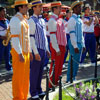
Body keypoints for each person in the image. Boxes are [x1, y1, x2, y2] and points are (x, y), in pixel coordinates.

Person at [10, 0, 33, 100]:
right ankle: (18, 98)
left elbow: (27, 37)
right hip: (19, 52)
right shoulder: (15, 20)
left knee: (25, 78)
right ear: (20, 7)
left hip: (25, 52)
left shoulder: (23, 19)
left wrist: (30, 51)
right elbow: (14, 38)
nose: (27, 8)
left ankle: (23, 97)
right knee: (18, 78)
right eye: (26, 6)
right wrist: (19, 53)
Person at [28, 0, 50, 100]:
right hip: (36, 50)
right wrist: (35, 52)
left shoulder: (41, 20)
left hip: (43, 49)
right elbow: (31, 37)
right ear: (34, 8)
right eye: (39, 6)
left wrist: (47, 49)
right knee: (34, 72)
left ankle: (39, 89)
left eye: (41, 6)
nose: (41, 8)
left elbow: (44, 36)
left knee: (40, 72)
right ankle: (33, 92)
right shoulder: (31, 20)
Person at [48, 1, 67, 88]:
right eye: (59, 8)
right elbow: (52, 36)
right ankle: (51, 84)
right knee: (55, 66)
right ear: (54, 9)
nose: (61, 9)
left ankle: (56, 83)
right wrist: (57, 49)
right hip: (57, 46)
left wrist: (64, 45)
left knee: (59, 66)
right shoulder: (52, 20)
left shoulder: (59, 19)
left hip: (61, 46)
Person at [66, 1, 85, 83]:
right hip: (74, 43)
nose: (80, 9)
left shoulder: (79, 19)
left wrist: (83, 44)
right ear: (74, 9)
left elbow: (81, 33)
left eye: (80, 7)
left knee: (77, 62)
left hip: (79, 43)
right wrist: (75, 46)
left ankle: (73, 77)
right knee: (72, 62)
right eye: (78, 7)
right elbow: (72, 34)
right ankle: (69, 78)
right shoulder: (72, 20)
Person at [0, 7, 12, 71]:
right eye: (3, 11)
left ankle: (9, 68)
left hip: (7, 40)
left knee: (8, 55)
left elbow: (9, 29)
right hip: (0, 40)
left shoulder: (7, 20)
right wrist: (1, 37)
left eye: (5, 11)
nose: (5, 13)